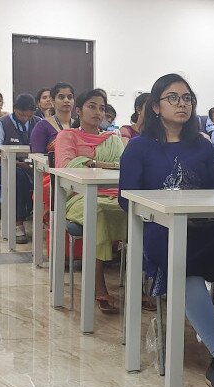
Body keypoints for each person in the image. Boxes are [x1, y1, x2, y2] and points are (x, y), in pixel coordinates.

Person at [118, 73, 214, 387]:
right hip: (162, 230)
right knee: (183, 271)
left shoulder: (202, 147)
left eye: (187, 98)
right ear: (156, 106)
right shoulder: (138, 148)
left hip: (206, 227)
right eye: (173, 98)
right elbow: (126, 199)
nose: (182, 104)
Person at [55, 89, 127, 314]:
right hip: (81, 196)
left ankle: (140, 286)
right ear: (79, 110)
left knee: (135, 211)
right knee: (98, 212)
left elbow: (122, 167)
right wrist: (98, 164)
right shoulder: (67, 136)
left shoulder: (113, 140)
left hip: (114, 194)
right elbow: (67, 164)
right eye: (92, 106)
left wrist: (91, 162)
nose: (98, 112)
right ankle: (99, 283)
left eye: (102, 108)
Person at [0, 94, 42, 243]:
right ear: (14, 109)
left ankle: (44, 221)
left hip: (32, 166)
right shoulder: (1, 124)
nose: (25, 118)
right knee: (17, 179)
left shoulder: (38, 123)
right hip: (5, 167)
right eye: (21, 114)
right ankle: (18, 222)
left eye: (28, 115)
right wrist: (18, 164)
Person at [29, 82, 75, 153]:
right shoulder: (42, 126)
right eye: (61, 97)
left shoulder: (79, 125)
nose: (66, 100)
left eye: (70, 97)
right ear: (53, 101)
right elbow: (37, 158)